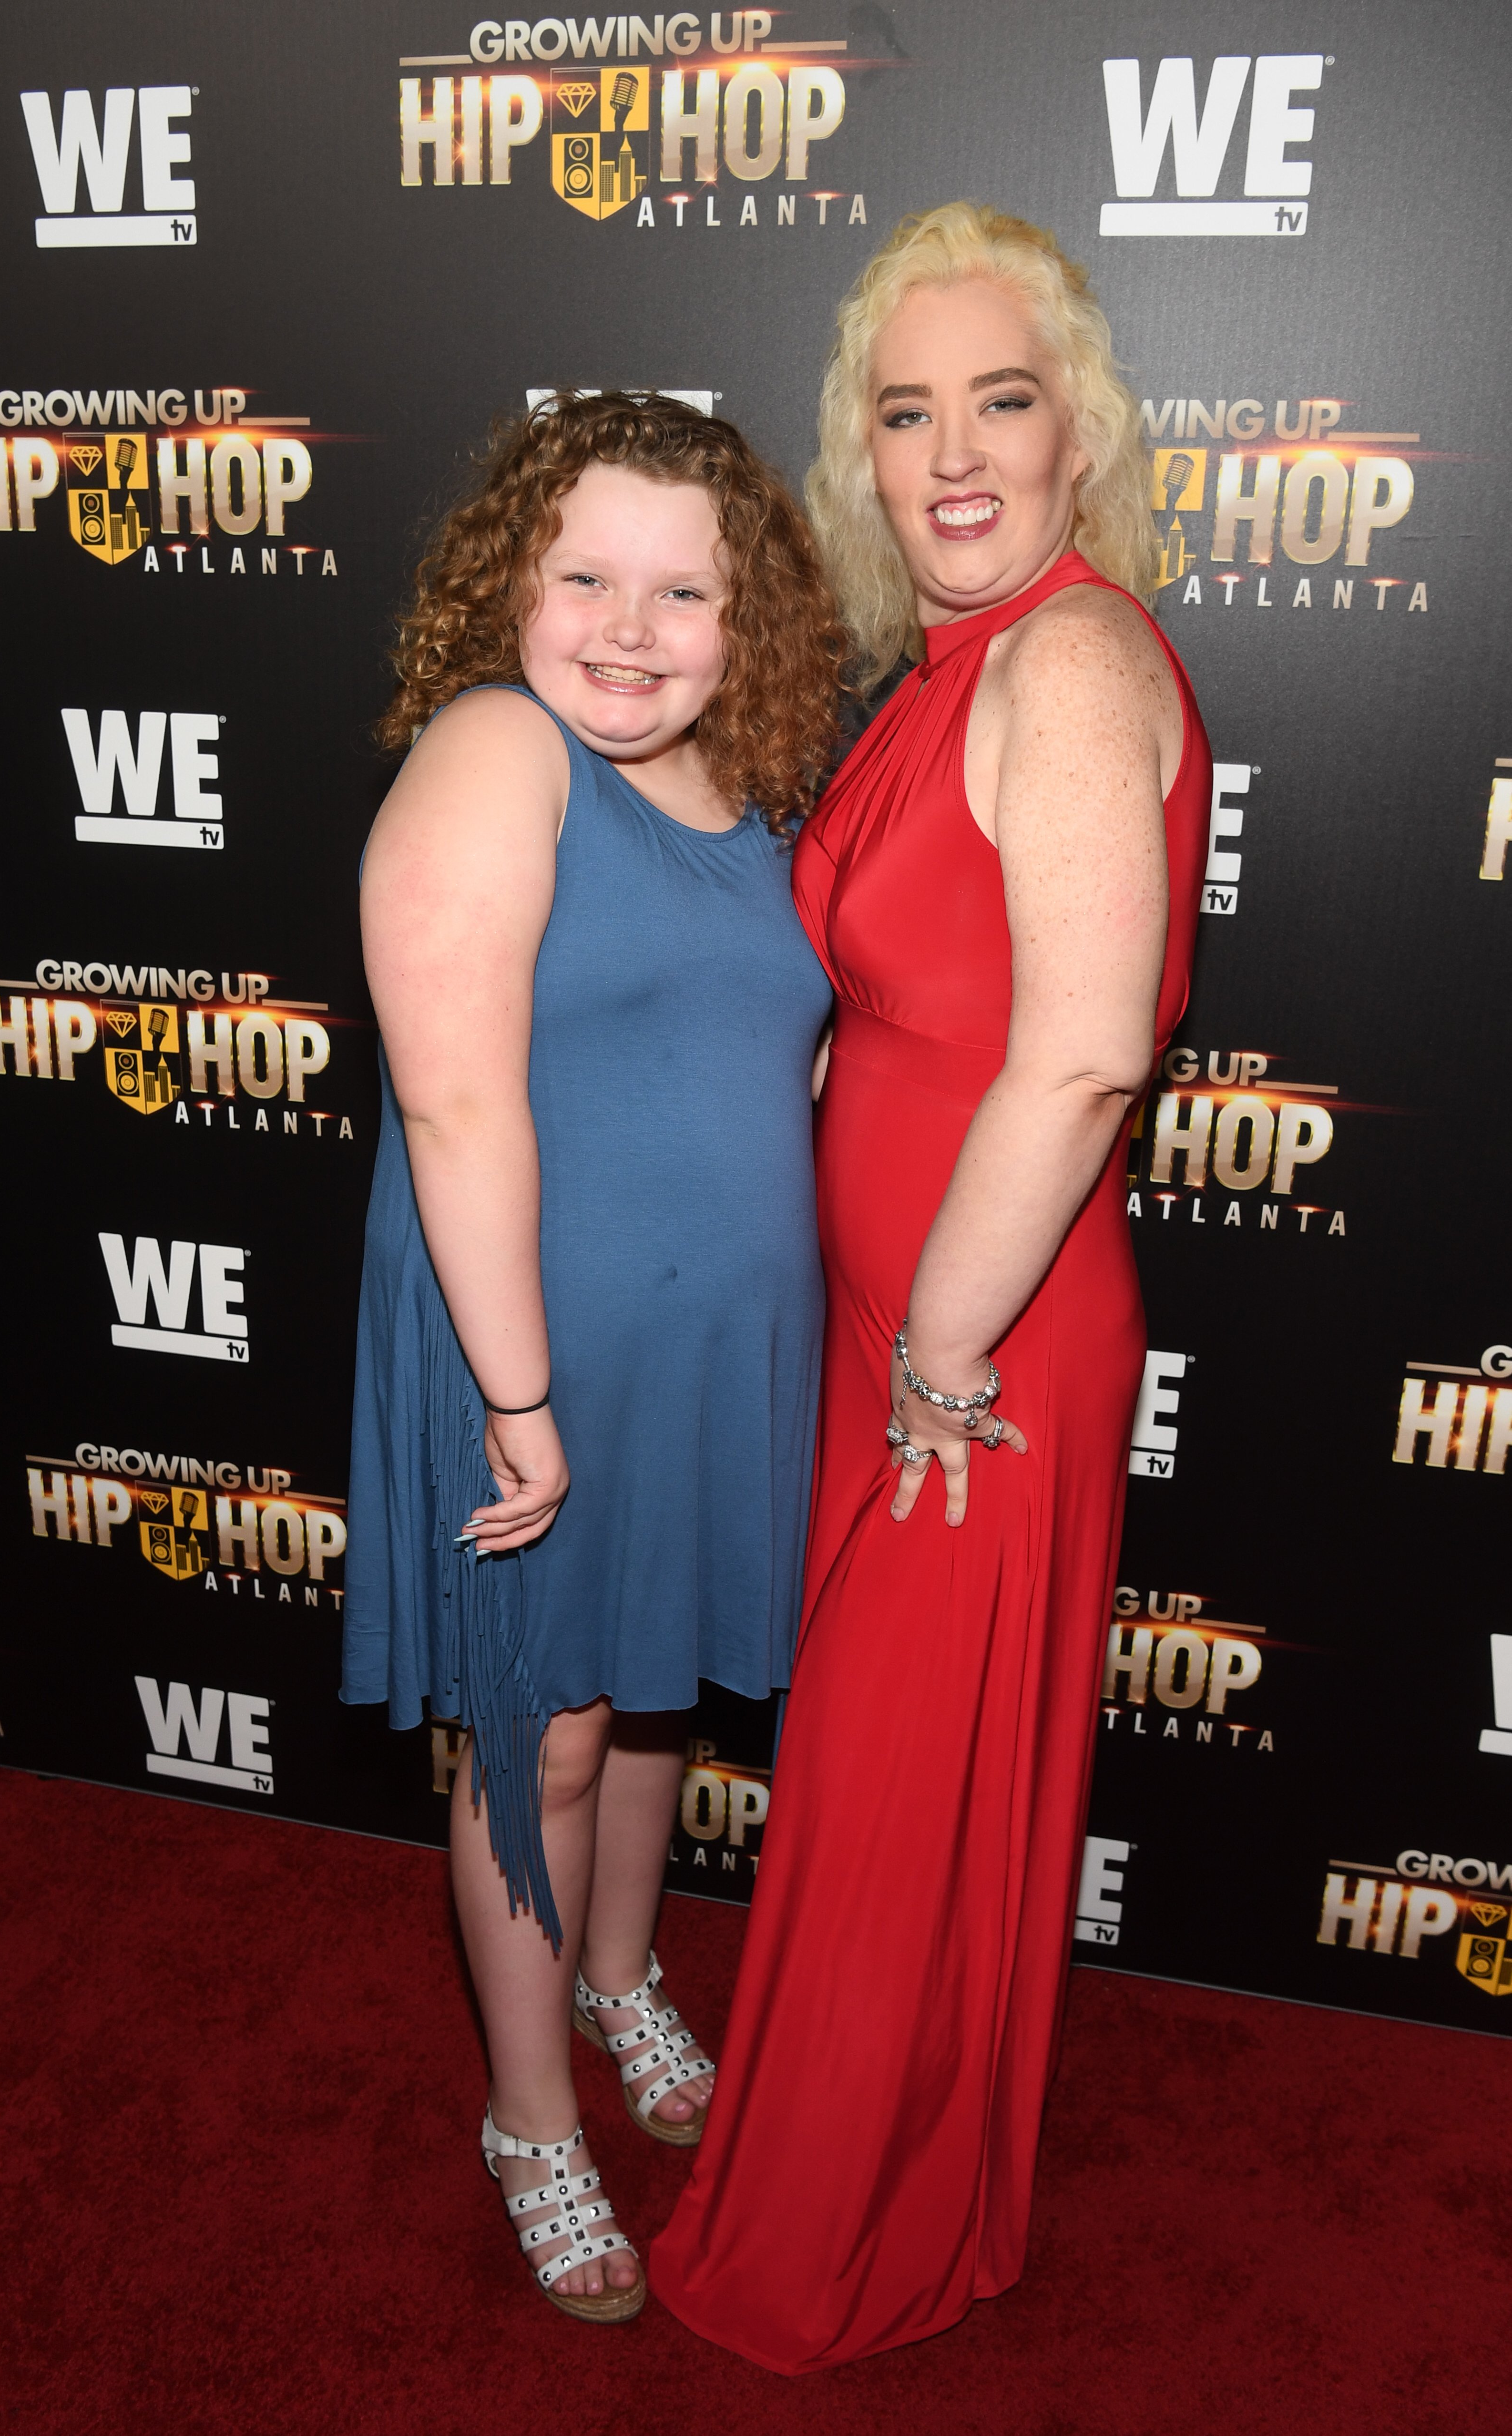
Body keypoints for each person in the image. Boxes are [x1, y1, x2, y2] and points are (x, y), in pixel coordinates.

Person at [650, 205, 1212, 2370]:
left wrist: (941, 1358)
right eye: (909, 411)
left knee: (899, 1803)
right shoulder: (954, 667)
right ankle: (907, 2177)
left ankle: (847, 2234)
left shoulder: (1070, 656)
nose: (956, 451)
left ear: (1082, 433)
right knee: (901, 1797)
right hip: (911, 1333)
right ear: (862, 458)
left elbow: (1079, 1051)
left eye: (1004, 397)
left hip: (980, 1353)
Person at [343, 392, 841, 2323]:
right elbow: (460, 1109)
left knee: (651, 1705)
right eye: (586, 579)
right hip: (529, 1348)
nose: (630, 631)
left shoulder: (751, 786)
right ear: (512, 583)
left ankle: (624, 1976)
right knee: (543, 1737)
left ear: (746, 616)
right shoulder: (497, 749)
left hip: (714, 1346)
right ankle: (532, 2116)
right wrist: (524, 1406)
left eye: (682, 592)